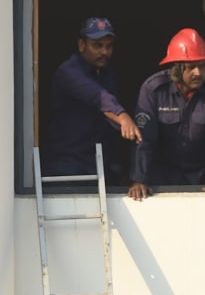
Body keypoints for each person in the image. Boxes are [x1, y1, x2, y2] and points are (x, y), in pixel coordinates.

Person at [128, 28, 205, 201]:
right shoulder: (153, 89)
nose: (198, 73)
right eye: (191, 67)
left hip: (204, 177)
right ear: (176, 70)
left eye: (202, 66)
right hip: (161, 178)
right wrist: (139, 179)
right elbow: (144, 139)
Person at [40, 17, 142, 178]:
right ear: (82, 45)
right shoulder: (68, 72)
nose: (104, 52)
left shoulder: (109, 74)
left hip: (98, 168)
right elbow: (98, 96)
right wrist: (123, 117)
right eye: (98, 45)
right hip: (66, 168)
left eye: (109, 46)